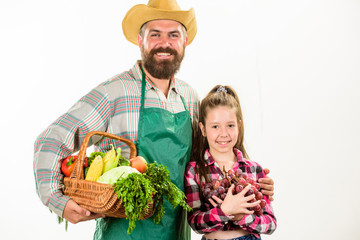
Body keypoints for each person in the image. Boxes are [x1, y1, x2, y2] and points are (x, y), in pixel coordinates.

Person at [33, 0, 274, 239]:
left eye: (173, 35)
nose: (165, 43)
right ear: (141, 40)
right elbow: (51, 140)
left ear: (185, 42)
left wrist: (251, 183)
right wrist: (57, 200)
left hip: (176, 233)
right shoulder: (115, 92)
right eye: (155, 34)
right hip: (123, 235)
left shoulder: (189, 97)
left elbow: (206, 161)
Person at [184, 85, 277, 240]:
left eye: (230, 125)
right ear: (203, 129)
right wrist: (224, 211)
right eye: (215, 126)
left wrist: (241, 217)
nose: (224, 133)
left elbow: (270, 223)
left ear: (238, 126)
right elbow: (195, 222)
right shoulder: (194, 170)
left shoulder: (254, 170)